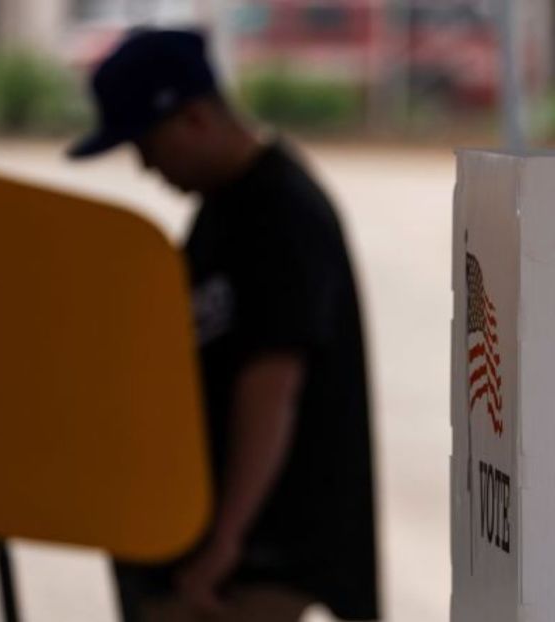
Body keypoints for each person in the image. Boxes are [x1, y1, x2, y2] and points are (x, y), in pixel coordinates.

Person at [68, 29, 378, 622]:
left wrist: (225, 541)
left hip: (256, 559)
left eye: (146, 144)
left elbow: (272, 385)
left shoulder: (279, 211)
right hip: (223, 549)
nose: (146, 167)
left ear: (192, 119)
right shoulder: (228, 207)